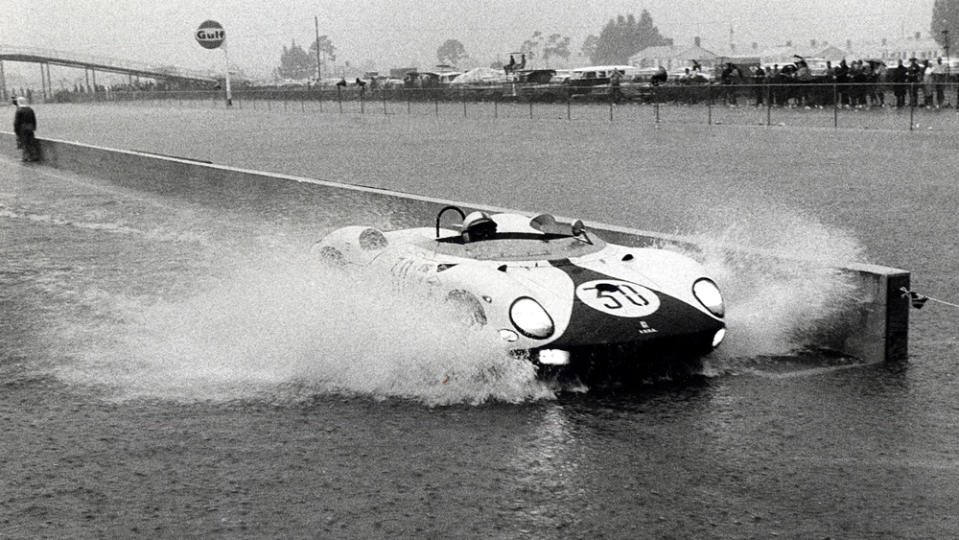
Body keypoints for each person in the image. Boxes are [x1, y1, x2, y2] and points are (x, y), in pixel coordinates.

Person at [13, 96, 39, 162]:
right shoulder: (30, 109)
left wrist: (16, 131)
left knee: (24, 143)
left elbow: (16, 122)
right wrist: (34, 127)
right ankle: (34, 156)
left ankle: (26, 157)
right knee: (31, 142)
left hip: (22, 128)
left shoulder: (19, 110)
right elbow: (34, 119)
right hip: (30, 127)